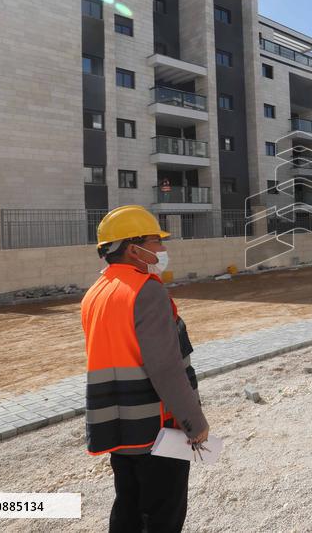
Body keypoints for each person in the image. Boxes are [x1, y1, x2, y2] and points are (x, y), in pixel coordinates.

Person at [81, 205, 209, 533]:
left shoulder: (95, 294)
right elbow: (166, 368)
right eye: (155, 241)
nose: (162, 249)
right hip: (158, 429)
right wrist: (193, 423)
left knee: (128, 507)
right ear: (132, 247)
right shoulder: (146, 291)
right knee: (163, 516)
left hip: (120, 429)